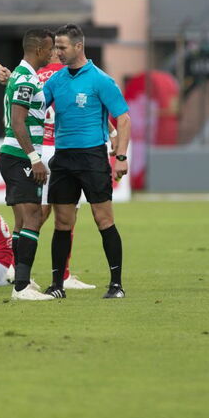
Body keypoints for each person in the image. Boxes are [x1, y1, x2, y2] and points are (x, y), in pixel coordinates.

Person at [41, 23, 130, 299]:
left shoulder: (101, 80)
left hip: (92, 157)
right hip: (63, 158)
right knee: (62, 224)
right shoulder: (56, 80)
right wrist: (11, 84)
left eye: (62, 47)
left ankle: (116, 285)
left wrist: (121, 157)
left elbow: (124, 119)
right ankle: (58, 285)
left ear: (78, 46)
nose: (57, 52)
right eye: (56, 47)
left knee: (103, 219)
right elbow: (35, 106)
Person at [0, 29, 55, 300]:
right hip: (21, 156)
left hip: (13, 155)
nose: (53, 53)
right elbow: (18, 122)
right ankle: (21, 288)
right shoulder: (27, 79)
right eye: (51, 48)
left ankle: (22, 279)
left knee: (23, 220)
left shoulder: (19, 75)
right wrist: (35, 158)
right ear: (40, 50)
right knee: (33, 217)